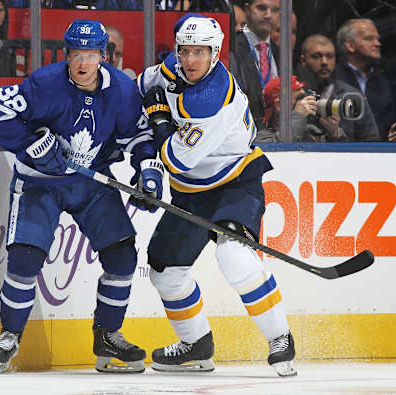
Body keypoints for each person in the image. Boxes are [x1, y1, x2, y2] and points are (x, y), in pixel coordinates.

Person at [0, 19, 163, 374]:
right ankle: (10, 334)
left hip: (92, 183)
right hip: (40, 182)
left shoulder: (123, 91)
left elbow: (139, 138)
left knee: (122, 257)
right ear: (67, 54)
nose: (82, 64)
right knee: (25, 258)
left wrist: (148, 172)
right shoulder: (44, 84)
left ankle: (107, 334)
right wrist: (30, 146)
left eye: (90, 55)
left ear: (102, 56)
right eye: (76, 55)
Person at [137, 16, 296, 377]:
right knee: (165, 272)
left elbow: (175, 160)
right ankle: (196, 345)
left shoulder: (212, 98)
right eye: (185, 50)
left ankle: (280, 337)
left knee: (234, 255)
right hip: (190, 193)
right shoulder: (173, 67)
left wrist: (160, 118)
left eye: (200, 52)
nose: (191, 60)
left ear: (215, 52)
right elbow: (140, 86)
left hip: (234, 182)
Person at [296, 34, 380, 142]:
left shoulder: (351, 95)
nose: (324, 62)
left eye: (330, 56)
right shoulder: (293, 95)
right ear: (303, 60)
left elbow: (372, 142)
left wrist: (334, 133)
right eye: (316, 56)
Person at [335, 19, 396, 142]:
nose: (378, 43)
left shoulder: (386, 81)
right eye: (369, 39)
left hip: (381, 154)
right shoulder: (332, 78)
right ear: (350, 45)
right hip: (341, 154)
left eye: (377, 39)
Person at [232, 0, 280, 130]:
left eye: (275, 10)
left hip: (277, 134)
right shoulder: (231, 47)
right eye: (262, 8)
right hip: (244, 131)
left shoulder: (283, 53)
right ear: (247, 9)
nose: (268, 15)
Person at [255, 76, 348, 143]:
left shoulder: (313, 131)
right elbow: (283, 147)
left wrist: (333, 133)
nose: (305, 103)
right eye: (300, 98)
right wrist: (298, 115)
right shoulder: (261, 138)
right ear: (279, 105)